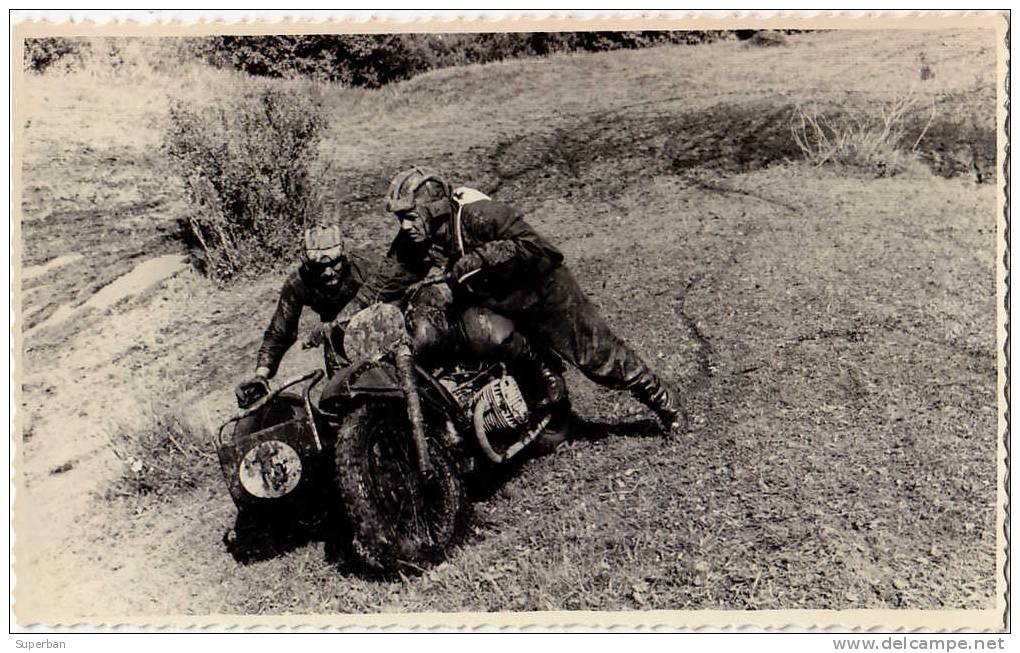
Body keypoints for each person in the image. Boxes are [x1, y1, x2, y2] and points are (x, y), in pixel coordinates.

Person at [333, 166, 688, 438]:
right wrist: (340, 320)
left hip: (543, 290)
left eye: (409, 216)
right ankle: (551, 410)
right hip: (498, 301)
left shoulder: (479, 215)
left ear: (433, 209)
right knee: (481, 339)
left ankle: (662, 400)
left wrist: (480, 258)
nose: (405, 226)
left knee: (597, 356)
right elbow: (381, 286)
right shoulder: (413, 241)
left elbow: (543, 250)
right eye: (400, 219)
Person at [235, 224, 369, 404]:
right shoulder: (299, 282)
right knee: (344, 401)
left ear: (343, 254)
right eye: (318, 267)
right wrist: (261, 375)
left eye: (334, 263)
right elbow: (280, 331)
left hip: (373, 331)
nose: (328, 272)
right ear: (306, 263)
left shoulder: (363, 267)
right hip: (336, 343)